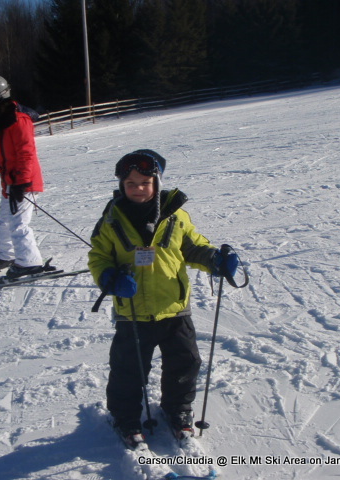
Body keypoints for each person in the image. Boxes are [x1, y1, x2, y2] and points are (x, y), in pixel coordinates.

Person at [88, 149, 239, 448]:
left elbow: (193, 246)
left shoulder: (176, 215)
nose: (138, 188)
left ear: (157, 182)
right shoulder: (111, 218)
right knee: (128, 370)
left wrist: (214, 259)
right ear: (122, 186)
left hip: (174, 308)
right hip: (133, 312)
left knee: (186, 363)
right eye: (131, 183)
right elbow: (99, 256)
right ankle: (126, 417)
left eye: (145, 182)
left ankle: (178, 409)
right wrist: (109, 278)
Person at [0, 74, 50, 279]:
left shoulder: (18, 120)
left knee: (18, 224)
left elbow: (27, 154)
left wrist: (22, 182)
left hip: (24, 182)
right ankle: (6, 256)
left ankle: (29, 263)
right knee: (4, 223)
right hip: (10, 182)